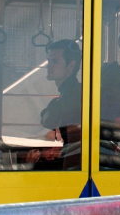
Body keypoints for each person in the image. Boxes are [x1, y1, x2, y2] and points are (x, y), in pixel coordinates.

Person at [31, 39, 82, 169]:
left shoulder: (73, 98)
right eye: (49, 61)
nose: (49, 66)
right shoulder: (69, 94)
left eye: (55, 61)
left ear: (71, 65)